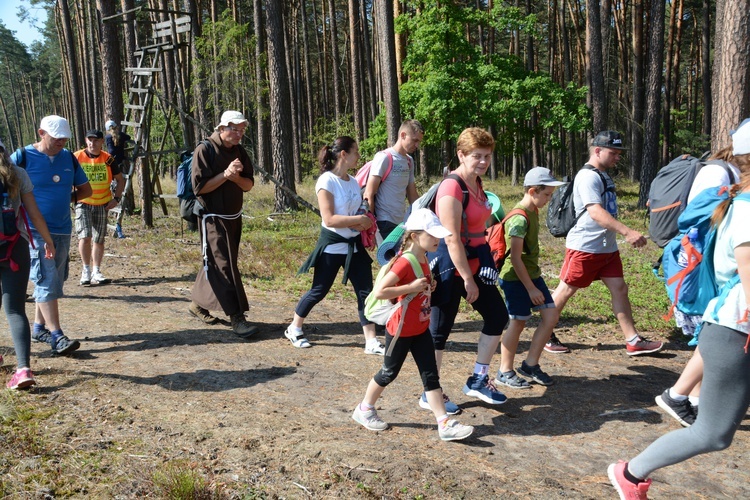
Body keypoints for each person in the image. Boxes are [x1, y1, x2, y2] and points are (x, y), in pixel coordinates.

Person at [608, 118, 750, 500]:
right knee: (713, 433)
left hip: (731, 326)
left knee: (715, 433)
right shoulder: (747, 211)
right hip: (737, 330)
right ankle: (630, 473)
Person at [352, 208, 474, 441]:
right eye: (433, 235)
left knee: (431, 375)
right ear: (416, 236)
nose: (438, 239)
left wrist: (428, 286)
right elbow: (380, 291)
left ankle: (444, 423)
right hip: (400, 329)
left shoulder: (423, 257)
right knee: (388, 373)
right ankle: (364, 409)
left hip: (419, 327)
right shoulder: (405, 262)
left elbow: (417, 286)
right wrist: (412, 288)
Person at [550, 131, 664, 356]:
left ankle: (633, 340)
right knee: (565, 290)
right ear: (598, 150)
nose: (617, 157)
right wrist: (627, 231)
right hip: (585, 247)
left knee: (620, 289)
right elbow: (596, 213)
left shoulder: (602, 174)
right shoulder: (588, 177)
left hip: (607, 248)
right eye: (614, 153)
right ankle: (546, 334)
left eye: (620, 153)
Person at [657, 143, 742, 427]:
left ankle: (693, 398)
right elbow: (700, 219)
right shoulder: (718, 175)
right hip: (701, 262)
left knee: (709, 331)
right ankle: (680, 395)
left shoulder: (723, 174)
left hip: (708, 259)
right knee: (710, 332)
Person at [429, 127, 509, 410]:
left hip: (476, 262)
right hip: (451, 266)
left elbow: (479, 224)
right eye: (477, 156)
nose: (484, 162)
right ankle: (431, 393)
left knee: (498, 316)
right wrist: (467, 279)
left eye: (487, 156)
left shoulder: (477, 183)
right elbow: (450, 237)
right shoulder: (452, 186)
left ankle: (478, 378)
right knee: (439, 331)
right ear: (461, 154)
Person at [286, 136, 383, 354]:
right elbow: (329, 219)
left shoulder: (353, 182)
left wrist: (362, 222)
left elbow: (356, 212)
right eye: (356, 152)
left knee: (366, 293)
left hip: (354, 246)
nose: (359, 156)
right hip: (331, 247)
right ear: (343, 154)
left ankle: (371, 341)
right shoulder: (326, 181)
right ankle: (294, 328)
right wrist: (359, 221)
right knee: (319, 291)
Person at [10, 115, 91, 355]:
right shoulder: (22, 157)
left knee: (53, 280)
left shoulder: (69, 158)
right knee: (45, 279)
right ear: (41, 133)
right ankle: (57, 336)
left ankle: (39, 327)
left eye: (65, 138)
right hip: (31, 230)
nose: (61, 142)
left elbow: (85, 189)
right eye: (57, 138)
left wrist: (65, 199)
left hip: (63, 228)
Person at [188, 111, 259, 338]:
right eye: (234, 129)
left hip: (233, 218)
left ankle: (198, 304)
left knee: (216, 262)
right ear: (221, 129)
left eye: (242, 130)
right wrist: (225, 175)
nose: (239, 134)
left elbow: (248, 184)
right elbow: (200, 188)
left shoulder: (239, 151)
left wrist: (235, 178)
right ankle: (237, 317)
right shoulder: (204, 150)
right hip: (212, 218)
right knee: (224, 264)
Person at [495, 167, 564, 389]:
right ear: (533, 191)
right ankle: (504, 371)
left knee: (550, 315)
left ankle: (530, 365)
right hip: (516, 278)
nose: (549, 199)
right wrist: (531, 289)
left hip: (532, 275)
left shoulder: (533, 210)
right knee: (518, 322)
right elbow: (515, 259)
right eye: (547, 194)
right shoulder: (519, 219)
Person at [0, 138, 55, 388]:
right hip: (15, 248)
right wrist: (48, 240)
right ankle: (23, 370)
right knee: (14, 310)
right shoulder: (18, 174)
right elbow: (34, 212)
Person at [74, 129, 124, 285]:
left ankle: (96, 271)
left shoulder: (108, 159)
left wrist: (116, 198)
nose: (92, 143)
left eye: (96, 140)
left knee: (99, 239)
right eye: (89, 139)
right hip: (83, 203)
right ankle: (86, 270)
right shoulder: (76, 157)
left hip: (103, 204)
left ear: (102, 141)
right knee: (85, 236)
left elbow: (120, 180)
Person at [363, 120, 423, 240]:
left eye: (419, 142)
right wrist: (372, 226)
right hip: (383, 222)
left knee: (404, 258)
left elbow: (412, 195)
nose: (417, 145)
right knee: (391, 259)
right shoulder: (384, 157)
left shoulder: (409, 161)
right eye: (415, 140)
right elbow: (369, 193)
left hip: (402, 222)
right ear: (403, 135)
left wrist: (424, 213)